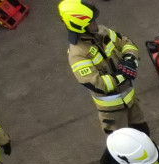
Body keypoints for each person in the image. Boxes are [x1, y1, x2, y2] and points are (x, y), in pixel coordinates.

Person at [59, 0, 148, 135]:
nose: (96, 23)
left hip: (130, 102)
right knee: (121, 148)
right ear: (79, 26)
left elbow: (126, 43)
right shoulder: (77, 54)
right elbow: (96, 84)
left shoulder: (102, 31)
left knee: (143, 133)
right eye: (91, 21)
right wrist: (122, 75)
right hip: (113, 113)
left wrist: (130, 59)